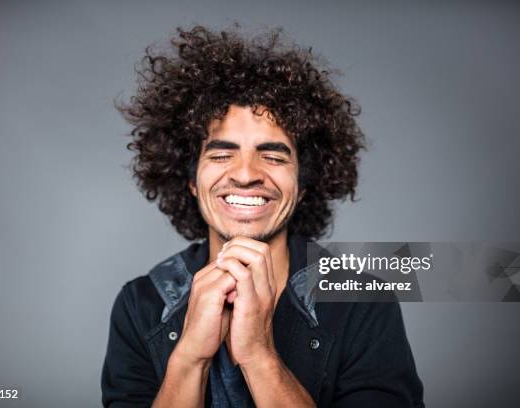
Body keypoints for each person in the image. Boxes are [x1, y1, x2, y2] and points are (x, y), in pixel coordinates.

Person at [101, 24, 424, 407]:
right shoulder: (142, 303)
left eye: (272, 156)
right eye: (221, 155)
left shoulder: (362, 303)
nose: (245, 173)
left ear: (302, 185)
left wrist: (259, 354)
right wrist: (190, 358)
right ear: (190, 181)